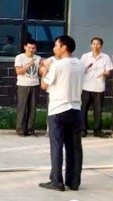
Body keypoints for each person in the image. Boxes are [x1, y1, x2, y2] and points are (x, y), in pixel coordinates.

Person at [39, 35, 84, 192]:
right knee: (75, 147)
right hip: (75, 107)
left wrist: (44, 71)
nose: (54, 49)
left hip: (58, 108)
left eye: (56, 46)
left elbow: (44, 85)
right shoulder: (81, 64)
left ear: (64, 48)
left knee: (57, 146)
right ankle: (74, 181)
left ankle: (56, 181)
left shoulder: (58, 65)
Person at [79, 37, 113, 138]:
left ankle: (97, 130)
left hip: (99, 87)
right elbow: (80, 70)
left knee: (98, 110)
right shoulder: (85, 56)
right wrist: (86, 68)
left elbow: (108, 72)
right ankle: (83, 129)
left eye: (98, 44)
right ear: (91, 45)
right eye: (93, 44)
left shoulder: (106, 57)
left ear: (101, 46)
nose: (95, 46)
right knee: (83, 109)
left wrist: (105, 73)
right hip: (86, 86)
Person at [13, 40, 41, 137]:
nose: (31, 50)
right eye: (29, 48)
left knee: (32, 108)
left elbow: (41, 70)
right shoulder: (19, 57)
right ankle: (20, 129)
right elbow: (18, 71)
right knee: (22, 107)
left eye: (33, 48)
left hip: (35, 84)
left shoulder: (38, 58)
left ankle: (30, 129)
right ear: (25, 47)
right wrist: (29, 64)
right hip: (23, 85)